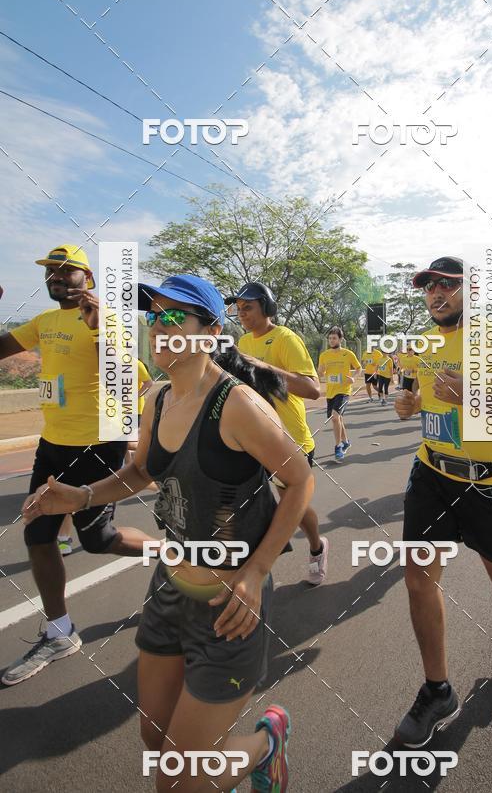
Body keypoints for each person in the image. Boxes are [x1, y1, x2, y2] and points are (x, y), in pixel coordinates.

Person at [24, 274, 314, 793]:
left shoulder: (239, 406)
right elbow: (140, 474)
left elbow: (300, 478)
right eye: (153, 316)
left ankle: (267, 741)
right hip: (167, 590)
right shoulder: (156, 399)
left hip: (229, 607)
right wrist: (82, 496)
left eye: (174, 316)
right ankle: (236, 751)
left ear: (210, 332)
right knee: (155, 743)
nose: (158, 328)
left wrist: (257, 573)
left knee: (177, 783)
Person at [394, 256, 492, 747]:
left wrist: (479, 399)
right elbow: (421, 400)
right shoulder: (422, 346)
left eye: (447, 285)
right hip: (431, 473)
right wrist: (411, 405)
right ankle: (437, 689)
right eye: (428, 287)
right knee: (418, 578)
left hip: (491, 482)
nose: (436, 293)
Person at [1, 244, 160, 687]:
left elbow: (134, 379)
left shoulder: (110, 319)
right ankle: (59, 631)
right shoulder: (44, 322)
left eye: (64, 270)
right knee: (37, 533)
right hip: (51, 446)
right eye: (49, 271)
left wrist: (101, 333)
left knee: (99, 540)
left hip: (96, 447)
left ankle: (170, 555)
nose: (54, 277)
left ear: (86, 278)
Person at [225, 281, 329, 585]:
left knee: (291, 508)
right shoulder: (242, 343)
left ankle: (317, 546)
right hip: (251, 440)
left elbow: (312, 389)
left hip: (289, 440)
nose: (242, 314)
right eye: (239, 309)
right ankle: (244, 571)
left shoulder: (284, 338)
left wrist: (260, 366)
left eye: (249, 307)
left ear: (267, 308)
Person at [317, 327, 361, 462]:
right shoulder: (324, 355)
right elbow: (320, 373)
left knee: (335, 417)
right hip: (331, 392)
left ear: (340, 339)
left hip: (344, 391)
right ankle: (346, 441)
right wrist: (321, 371)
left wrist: (353, 378)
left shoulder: (348, 354)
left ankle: (338, 447)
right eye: (330, 338)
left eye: (334, 338)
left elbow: (358, 368)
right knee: (338, 419)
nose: (331, 340)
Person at [126, 359, 154, 464]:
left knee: (126, 442)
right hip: (119, 409)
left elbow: (149, 383)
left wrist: (135, 396)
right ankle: (128, 467)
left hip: (134, 409)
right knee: (122, 441)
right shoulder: (113, 365)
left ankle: (154, 449)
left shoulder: (136, 364)